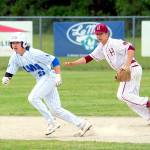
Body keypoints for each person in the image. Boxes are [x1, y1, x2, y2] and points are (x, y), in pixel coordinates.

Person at [1, 32, 92, 136]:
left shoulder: (34, 53)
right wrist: (7, 78)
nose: (14, 45)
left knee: (33, 98)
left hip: (49, 76)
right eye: (12, 43)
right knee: (55, 110)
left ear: (24, 43)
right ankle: (83, 124)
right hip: (41, 80)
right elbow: (10, 69)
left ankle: (51, 122)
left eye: (17, 42)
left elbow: (54, 60)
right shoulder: (15, 57)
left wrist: (58, 76)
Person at [64, 23, 150, 122]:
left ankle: (147, 102)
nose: (98, 36)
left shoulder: (113, 42)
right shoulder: (101, 46)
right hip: (131, 70)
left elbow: (131, 48)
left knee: (122, 95)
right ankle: (148, 116)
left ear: (106, 34)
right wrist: (73, 63)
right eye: (97, 34)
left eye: (101, 33)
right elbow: (89, 58)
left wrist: (126, 65)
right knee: (131, 100)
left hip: (131, 69)